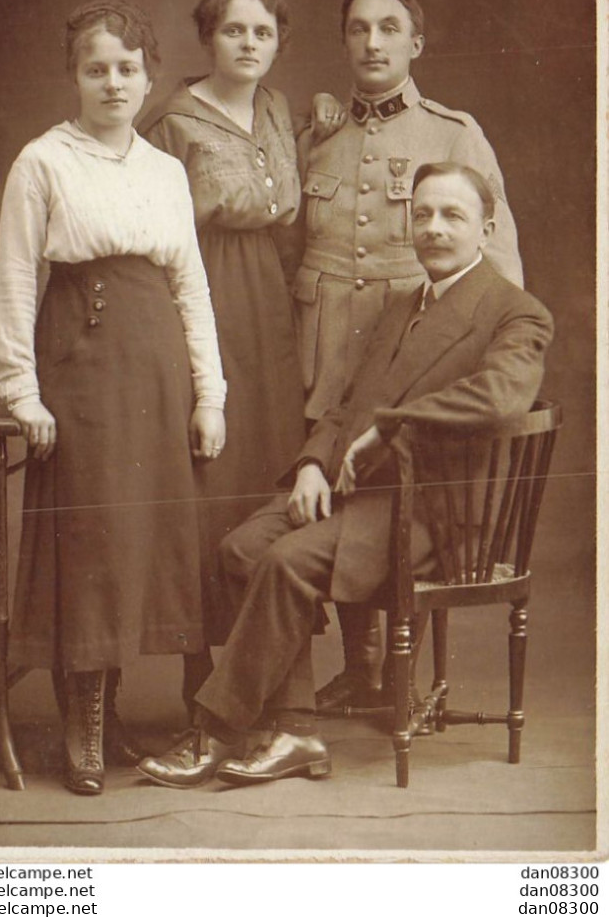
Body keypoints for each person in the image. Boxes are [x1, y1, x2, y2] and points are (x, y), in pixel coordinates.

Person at [137, 162, 553, 789]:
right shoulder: (402, 304)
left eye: (452, 216)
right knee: (241, 549)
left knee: (285, 562)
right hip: (357, 490)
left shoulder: (516, 314)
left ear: (487, 229)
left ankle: (217, 730)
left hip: (434, 513)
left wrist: (391, 426)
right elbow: (344, 402)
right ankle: (295, 726)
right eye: (423, 214)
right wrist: (310, 464)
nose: (434, 229)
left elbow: (500, 397)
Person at [0, 0, 227, 796]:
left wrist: (209, 395)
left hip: (156, 369)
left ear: (149, 74)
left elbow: (189, 284)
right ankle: (80, 732)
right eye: (97, 68)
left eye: (128, 68)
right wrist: (23, 393)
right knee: (89, 544)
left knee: (137, 545)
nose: (113, 82)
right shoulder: (43, 162)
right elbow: (16, 282)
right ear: (75, 76)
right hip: (81, 364)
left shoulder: (163, 170)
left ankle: (113, 715)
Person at [294, 0, 525, 712]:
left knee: (399, 499)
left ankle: (394, 674)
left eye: (388, 29)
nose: (372, 42)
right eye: (358, 29)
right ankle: (360, 670)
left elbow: (499, 262)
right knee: (338, 498)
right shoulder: (319, 133)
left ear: (413, 44)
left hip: (417, 355)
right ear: (344, 43)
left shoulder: (453, 134)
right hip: (326, 347)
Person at [139, 0, 307, 712]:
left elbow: (290, 205)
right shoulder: (173, 122)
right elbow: (156, 238)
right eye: (234, 29)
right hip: (205, 303)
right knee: (214, 490)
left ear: (275, 45)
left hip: (270, 308)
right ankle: (201, 690)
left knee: (269, 476)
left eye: (262, 31)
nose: (248, 43)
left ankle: (272, 682)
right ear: (207, 36)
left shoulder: (277, 108)